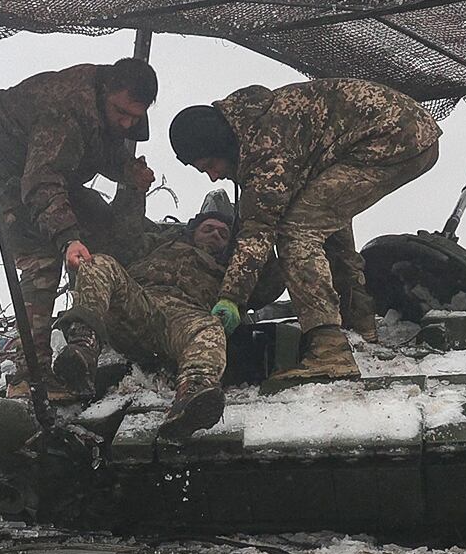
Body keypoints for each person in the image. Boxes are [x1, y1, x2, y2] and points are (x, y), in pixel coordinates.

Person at [164, 77, 442, 386]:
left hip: (392, 137)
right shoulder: (250, 124)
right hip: (403, 130)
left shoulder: (264, 148)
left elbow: (259, 231)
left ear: (220, 144)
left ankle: (329, 350)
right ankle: (359, 325)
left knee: (296, 229)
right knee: (323, 218)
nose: (214, 176)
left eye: (210, 165)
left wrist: (230, 298)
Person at [0, 56, 158, 397]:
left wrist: (127, 170)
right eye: (121, 112)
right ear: (106, 91)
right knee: (41, 257)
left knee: (102, 224)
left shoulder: (105, 107)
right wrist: (68, 239)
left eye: (135, 117)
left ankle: (90, 335)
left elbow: (99, 147)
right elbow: (42, 182)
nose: (126, 122)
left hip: (40, 173)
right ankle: (31, 375)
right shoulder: (65, 111)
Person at [63, 192, 271, 434]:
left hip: (185, 321)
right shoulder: (158, 243)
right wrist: (132, 188)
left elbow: (271, 283)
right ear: (193, 230)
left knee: (209, 327)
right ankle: (83, 347)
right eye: (208, 228)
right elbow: (124, 239)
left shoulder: (234, 270)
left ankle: (192, 397)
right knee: (99, 263)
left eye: (223, 234)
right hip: (140, 306)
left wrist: (258, 229)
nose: (215, 234)